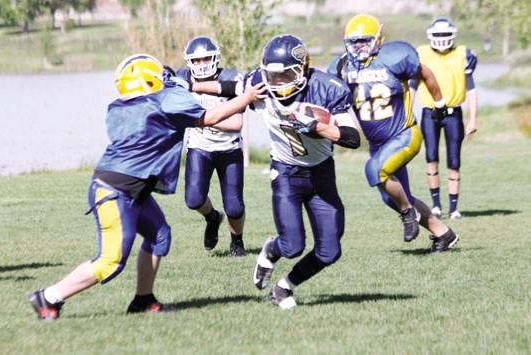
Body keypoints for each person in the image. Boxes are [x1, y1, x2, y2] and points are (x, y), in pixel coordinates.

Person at [28, 53, 265, 322]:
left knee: (159, 235)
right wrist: (245, 98)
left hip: (127, 188)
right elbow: (209, 117)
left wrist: (180, 85)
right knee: (111, 261)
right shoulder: (164, 99)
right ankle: (49, 296)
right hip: (116, 191)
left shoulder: (119, 106)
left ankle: (143, 299)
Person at [222, 34, 361, 309]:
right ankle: (270, 251)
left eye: (286, 75)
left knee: (330, 250)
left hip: (321, 174)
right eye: (272, 76)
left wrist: (318, 127)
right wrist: (191, 83)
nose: (278, 82)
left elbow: (353, 137)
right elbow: (227, 87)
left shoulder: (327, 88)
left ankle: (284, 288)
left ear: (302, 68)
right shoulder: (261, 84)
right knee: (292, 245)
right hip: (286, 173)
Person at [327, 14, 459, 252]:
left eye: (364, 41)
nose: (359, 47)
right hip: (378, 144)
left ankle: (409, 213)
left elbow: (426, 74)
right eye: (354, 41)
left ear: (378, 39)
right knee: (394, 197)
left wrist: (440, 104)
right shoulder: (343, 67)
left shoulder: (393, 57)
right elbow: (333, 100)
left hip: (404, 134)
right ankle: (443, 233)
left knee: (375, 171)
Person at [173, 36, 247, 256]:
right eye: (196, 60)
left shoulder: (231, 78)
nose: (202, 64)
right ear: (188, 63)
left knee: (234, 207)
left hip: (229, 148)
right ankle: (212, 217)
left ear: (216, 58)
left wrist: (203, 118)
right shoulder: (182, 78)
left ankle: (237, 242)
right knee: (193, 199)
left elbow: (236, 124)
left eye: (206, 58)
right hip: (200, 147)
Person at [409, 17, 478, 220]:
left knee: (454, 161)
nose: (441, 40)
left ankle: (454, 208)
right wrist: (408, 114)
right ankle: (437, 205)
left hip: (453, 112)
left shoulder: (462, 54)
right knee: (431, 158)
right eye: (438, 35)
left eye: (444, 35)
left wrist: (473, 118)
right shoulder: (421, 53)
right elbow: (412, 87)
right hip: (430, 112)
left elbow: (471, 89)